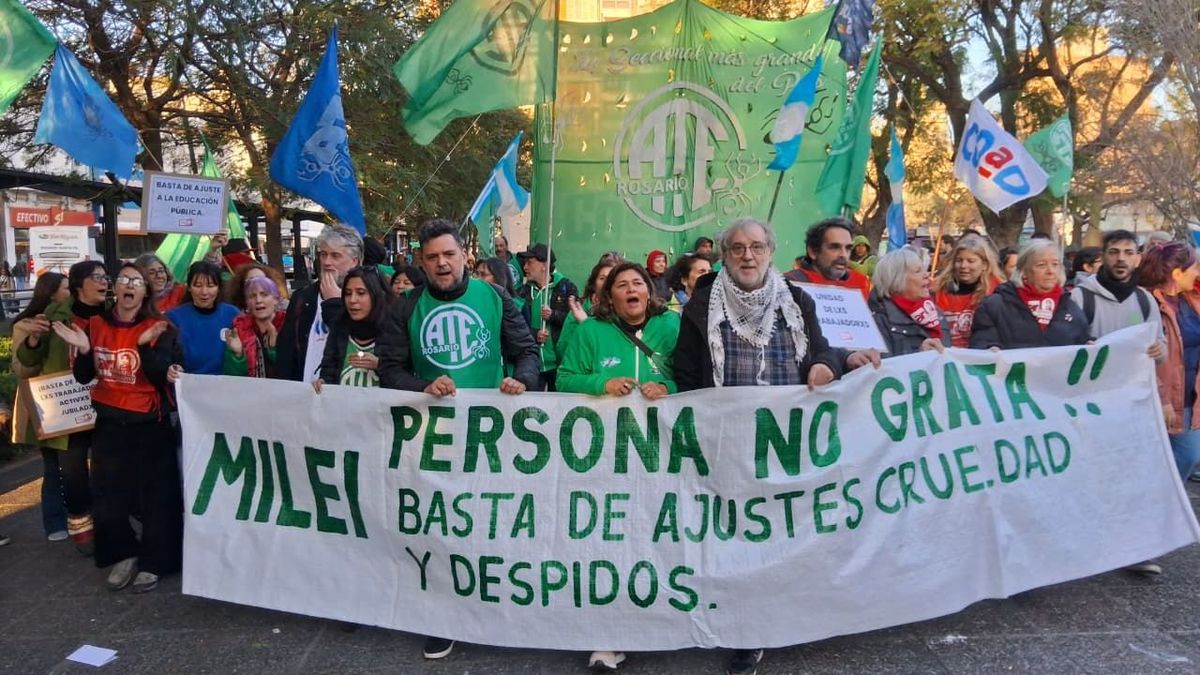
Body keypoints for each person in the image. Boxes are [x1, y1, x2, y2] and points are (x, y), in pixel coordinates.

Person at [674, 218, 878, 675]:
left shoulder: (798, 300)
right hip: (725, 441)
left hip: (786, 443)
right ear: (725, 255)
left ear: (771, 252)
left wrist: (831, 365)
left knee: (779, 532)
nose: (749, 256)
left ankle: (779, 615)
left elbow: (822, 351)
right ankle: (746, 631)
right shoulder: (701, 307)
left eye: (758, 247)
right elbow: (686, 375)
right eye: (738, 249)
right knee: (735, 538)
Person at [376, 218, 539, 661]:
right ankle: (443, 617)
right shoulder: (405, 308)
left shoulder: (496, 296)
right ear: (421, 262)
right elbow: (389, 369)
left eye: (448, 254)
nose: (442, 263)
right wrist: (421, 388)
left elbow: (527, 353)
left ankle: (498, 607)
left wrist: (522, 381)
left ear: (463, 256)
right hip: (432, 438)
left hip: (492, 435)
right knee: (440, 528)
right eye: (432, 257)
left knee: (492, 521)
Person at [557, 261, 678, 672]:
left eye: (637, 283)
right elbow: (564, 379)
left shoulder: (671, 329)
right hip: (604, 457)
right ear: (609, 297)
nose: (631, 289)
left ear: (649, 291)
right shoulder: (590, 331)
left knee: (657, 538)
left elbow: (694, 376)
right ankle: (607, 636)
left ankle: (661, 623)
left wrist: (669, 388)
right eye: (621, 285)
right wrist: (600, 385)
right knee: (609, 544)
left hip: (661, 455)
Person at [53, 262, 183, 593]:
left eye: (136, 281)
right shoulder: (95, 325)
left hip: (149, 425)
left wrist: (142, 346)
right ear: (116, 289)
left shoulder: (159, 327)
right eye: (123, 279)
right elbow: (84, 377)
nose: (128, 285)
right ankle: (123, 553)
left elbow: (162, 380)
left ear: (145, 292)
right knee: (109, 498)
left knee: (157, 498)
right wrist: (83, 350)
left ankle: (156, 560)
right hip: (110, 424)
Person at [1067, 230, 1166, 575]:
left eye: (1127, 252)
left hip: (1129, 406)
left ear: (1137, 257)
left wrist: (1158, 350)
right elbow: (1065, 347)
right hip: (1089, 406)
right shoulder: (1081, 297)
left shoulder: (1145, 300)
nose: (1121, 259)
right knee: (1088, 475)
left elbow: (1160, 346)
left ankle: (1134, 549)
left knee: (1129, 475)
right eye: (1113, 252)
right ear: (1103, 257)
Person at [16, 260, 110, 555]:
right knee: (72, 471)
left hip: (108, 402)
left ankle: (109, 522)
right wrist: (34, 339)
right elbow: (28, 362)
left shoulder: (115, 315)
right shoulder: (52, 318)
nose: (104, 282)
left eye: (106, 276)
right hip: (67, 407)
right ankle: (81, 524)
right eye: (97, 277)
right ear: (80, 284)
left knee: (109, 466)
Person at [10, 272, 72, 541]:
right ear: (52, 294)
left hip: (74, 403)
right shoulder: (26, 326)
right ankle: (55, 521)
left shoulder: (74, 321)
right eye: (68, 288)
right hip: (46, 407)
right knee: (53, 466)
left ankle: (80, 515)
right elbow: (22, 368)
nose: (72, 293)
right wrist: (34, 341)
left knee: (76, 465)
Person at [1138, 242, 1200, 485]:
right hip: (1160, 397)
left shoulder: (1191, 299)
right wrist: (1162, 397)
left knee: (1188, 456)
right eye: (1194, 268)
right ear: (1177, 274)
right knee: (1172, 456)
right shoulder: (1147, 301)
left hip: (1190, 398)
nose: (1197, 272)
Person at [278, 224, 362, 382]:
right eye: (323, 254)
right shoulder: (302, 298)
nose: (327, 262)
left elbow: (356, 344)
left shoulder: (367, 299)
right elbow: (286, 353)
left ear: (354, 261)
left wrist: (335, 303)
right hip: (302, 394)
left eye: (335, 256)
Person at [969, 240, 1090, 349]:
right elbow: (981, 343)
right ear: (1023, 271)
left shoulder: (1071, 307)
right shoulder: (994, 306)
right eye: (1041, 265)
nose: (1050, 271)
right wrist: (988, 349)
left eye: (1055, 264)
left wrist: (1090, 346)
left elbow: (1082, 343)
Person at [315, 267, 391, 390]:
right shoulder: (339, 329)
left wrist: (381, 366)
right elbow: (328, 371)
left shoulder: (396, 331)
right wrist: (323, 383)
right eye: (347, 293)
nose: (352, 300)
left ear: (376, 295)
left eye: (361, 293)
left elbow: (405, 378)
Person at [517, 243, 579, 390]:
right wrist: (534, 334)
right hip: (532, 365)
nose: (525, 267)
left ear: (544, 265)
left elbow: (577, 321)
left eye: (530, 263)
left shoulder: (567, 288)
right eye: (525, 263)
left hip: (560, 364)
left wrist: (554, 315)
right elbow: (516, 325)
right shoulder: (522, 293)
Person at [869, 248, 951, 356]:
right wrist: (918, 355)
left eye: (925, 269)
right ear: (896, 280)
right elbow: (881, 368)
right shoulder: (878, 320)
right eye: (918, 271)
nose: (926, 275)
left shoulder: (936, 313)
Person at [166, 261, 241, 375]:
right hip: (190, 386)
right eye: (198, 285)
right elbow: (166, 358)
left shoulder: (232, 314)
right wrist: (171, 369)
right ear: (189, 287)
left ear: (219, 287)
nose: (204, 292)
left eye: (210, 286)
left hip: (226, 385)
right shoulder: (174, 317)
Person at [932, 235, 1006, 348]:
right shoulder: (936, 290)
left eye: (971, 261)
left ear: (985, 265)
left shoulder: (999, 293)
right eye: (959, 260)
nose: (963, 266)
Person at [785, 217, 872, 300]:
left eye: (848, 248)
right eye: (835, 247)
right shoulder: (788, 285)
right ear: (813, 252)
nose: (843, 254)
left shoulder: (859, 285)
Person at [225, 276, 287, 378]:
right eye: (252, 296)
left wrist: (274, 349)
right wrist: (237, 356)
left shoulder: (289, 325)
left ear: (276, 299)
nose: (258, 300)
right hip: (250, 392)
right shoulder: (238, 329)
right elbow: (231, 377)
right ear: (247, 303)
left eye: (264, 295)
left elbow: (294, 368)